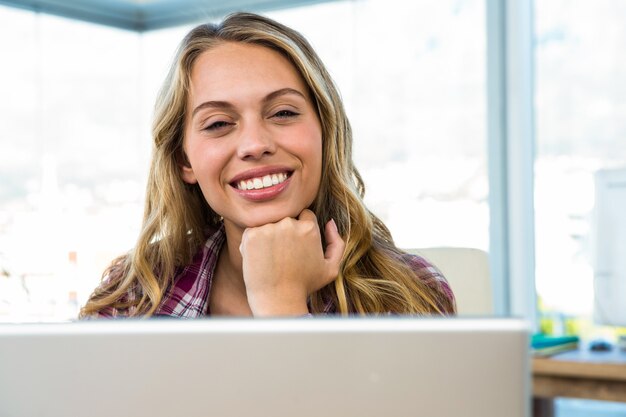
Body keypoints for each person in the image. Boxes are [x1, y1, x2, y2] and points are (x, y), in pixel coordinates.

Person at [79, 12, 456, 318]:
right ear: (184, 159)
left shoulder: (409, 295)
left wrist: (281, 305)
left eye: (283, 113)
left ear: (325, 133)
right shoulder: (131, 301)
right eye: (219, 124)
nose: (256, 145)